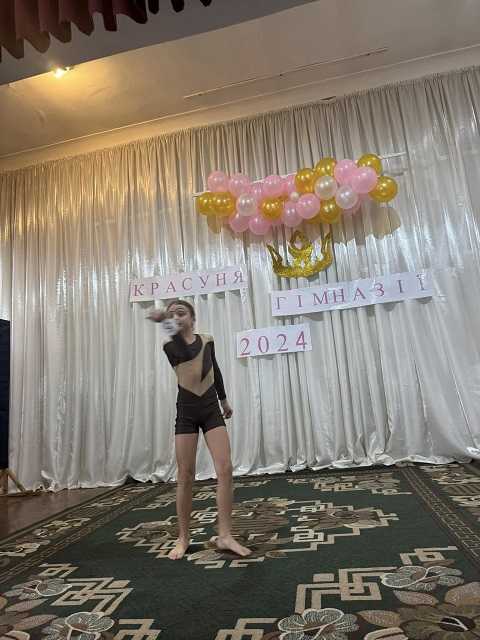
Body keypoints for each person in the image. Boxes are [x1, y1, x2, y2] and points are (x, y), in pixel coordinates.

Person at [148, 300, 251, 560]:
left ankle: (225, 535)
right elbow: (185, 352)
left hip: (210, 409)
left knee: (225, 468)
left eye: (181, 313)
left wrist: (224, 401)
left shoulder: (207, 340)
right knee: (185, 475)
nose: (176, 317)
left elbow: (215, 369)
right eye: (171, 314)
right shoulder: (170, 346)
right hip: (186, 412)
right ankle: (183, 537)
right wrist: (165, 324)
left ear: (192, 318)